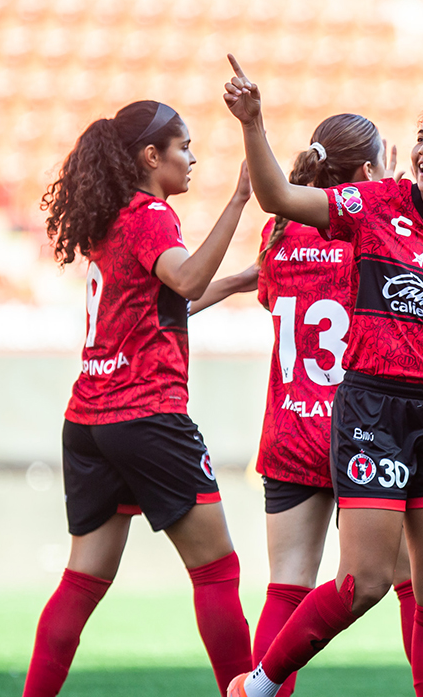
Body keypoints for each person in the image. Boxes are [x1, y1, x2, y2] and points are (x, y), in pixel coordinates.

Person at [223, 57, 423, 697]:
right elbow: (279, 198)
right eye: (421, 136)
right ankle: (263, 683)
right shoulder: (375, 204)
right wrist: (254, 124)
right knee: (365, 582)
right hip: (373, 411)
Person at [22, 100, 254, 697]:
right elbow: (185, 280)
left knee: (82, 580)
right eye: (184, 146)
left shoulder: (114, 217)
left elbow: (164, 305)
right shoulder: (152, 215)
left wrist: (239, 279)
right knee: (217, 571)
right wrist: (237, 201)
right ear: (151, 156)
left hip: (89, 418)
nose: (193, 157)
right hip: (147, 412)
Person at [192, 115, 417, 697]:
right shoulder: (377, 229)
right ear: (368, 172)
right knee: (414, 582)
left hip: (291, 427)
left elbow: (265, 285)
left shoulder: (282, 234)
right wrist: (389, 200)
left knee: (286, 587)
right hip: (363, 430)